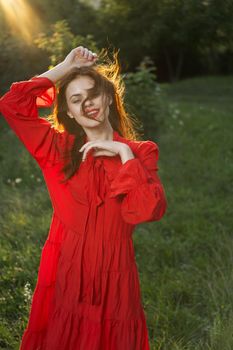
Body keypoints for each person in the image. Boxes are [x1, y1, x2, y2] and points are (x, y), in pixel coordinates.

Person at [0, 46, 167, 350]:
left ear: (107, 97)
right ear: (68, 112)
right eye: (76, 100)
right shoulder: (57, 150)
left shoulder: (142, 152)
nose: (87, 104)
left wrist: (125, 155)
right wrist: (64, 68)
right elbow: (12, 104)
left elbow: (146, 211)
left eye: (92, 94)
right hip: (68, 270)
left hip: (116, 277)